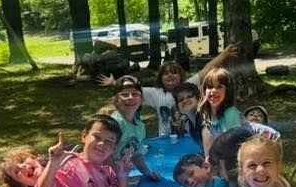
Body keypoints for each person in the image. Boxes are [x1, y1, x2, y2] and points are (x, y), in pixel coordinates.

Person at [98, 44, 240, 136]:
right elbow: (132, 90)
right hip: (166, 138)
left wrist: (224, 54)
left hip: (190, 136)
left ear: (181, 76)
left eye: (174, 72)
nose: (170, 75)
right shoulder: (155, 93)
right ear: (161, 77)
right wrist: (114, 82)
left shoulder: (188, 86)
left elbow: (207, 69)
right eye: (166, 73)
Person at [110, 77, 161, 181]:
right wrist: (119, 179)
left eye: (135, 94)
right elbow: (104, 157)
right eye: (124, 94)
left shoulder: (140, 127)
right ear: (116, 100)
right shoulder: (115, 123)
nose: (130, 97)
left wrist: (148, 173)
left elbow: (136, 155)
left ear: (141, 99)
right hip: (106, 178)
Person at [198, 68, 243, 157]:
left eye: (219, 87)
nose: (213, 91)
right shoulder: (206, 115)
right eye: (210, 87)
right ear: (204, 90)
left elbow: (233, 147)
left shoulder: (230, 113)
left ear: (228, 91)